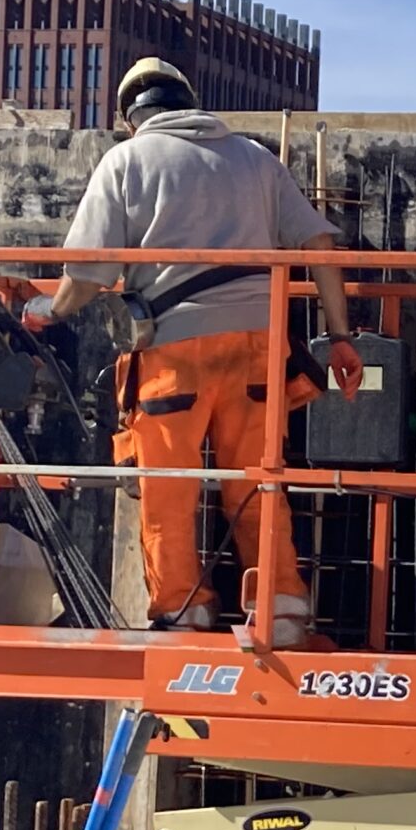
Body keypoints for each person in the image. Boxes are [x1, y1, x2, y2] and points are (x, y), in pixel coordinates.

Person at [23, 57, 362, 645]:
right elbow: (320, 243)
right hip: (258, 349)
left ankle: (184, 612)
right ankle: (280, 608)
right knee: (259, 481)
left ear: (134, 117)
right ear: (189, 101)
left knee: (168, 488)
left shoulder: (126, 161)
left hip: (173, 354)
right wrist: (339, 336)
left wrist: (47, 312)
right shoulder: (255, 158)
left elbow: (85, 274)